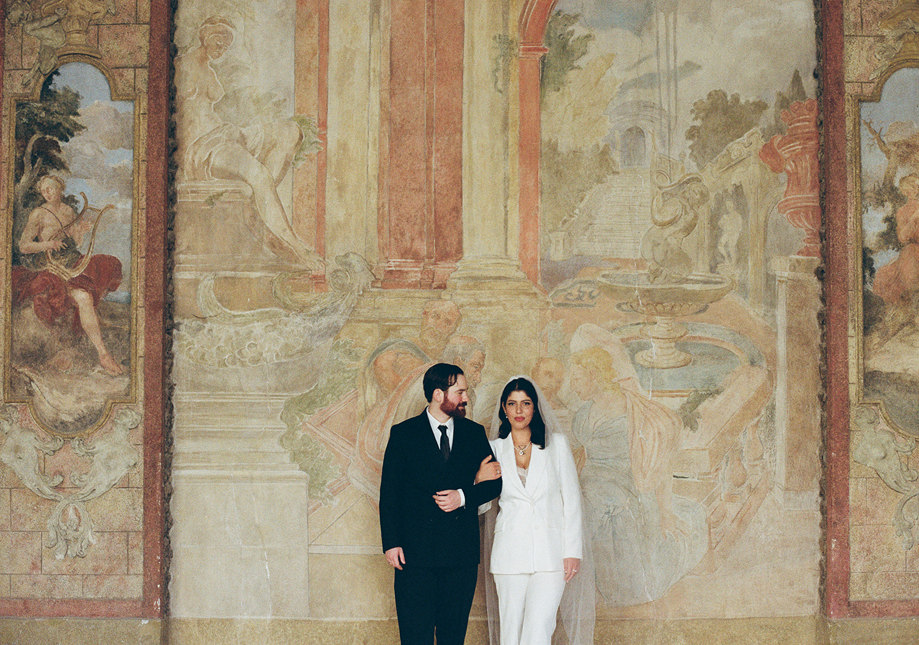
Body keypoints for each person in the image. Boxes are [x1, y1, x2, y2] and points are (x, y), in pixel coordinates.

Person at [175, 16, 321, 268]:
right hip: (204, 148)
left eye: (227, 42)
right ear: (204, 34)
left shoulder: (209, 70)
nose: (223, 45)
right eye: (219, 37)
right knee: (260, 175)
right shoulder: (181, 66)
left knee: (291, 131)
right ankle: (294, 245)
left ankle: (259, 209)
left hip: (225, 133)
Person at [379, 363, 502, 645]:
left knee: (452, 637)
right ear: (438, 394)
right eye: (460, 392)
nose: (466, 398)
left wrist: (463, 496)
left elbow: (495, 482)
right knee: (415, 636)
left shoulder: (474, 433)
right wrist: (391, 543)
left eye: (465, 392)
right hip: (413, 555)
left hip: (460, 556)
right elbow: (390, 494)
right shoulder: (403, 434)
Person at [476, 376, 588, 645]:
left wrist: (572, 551)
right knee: (511, 632)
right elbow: (481, 506)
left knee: (538, 629)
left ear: (535, 408)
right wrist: (479, 479)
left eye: (525, 403)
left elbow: (572, 500)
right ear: (503, 408)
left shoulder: (556, 445)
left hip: (551, 556)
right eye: (512, 404)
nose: (518, 410)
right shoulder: (492, 449)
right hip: (509, 556)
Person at [12, 175, 124, 376]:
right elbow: (24, 246)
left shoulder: (67, 210)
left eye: (51, 188)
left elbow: (76, 242)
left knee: (104, 272)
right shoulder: (38, 214)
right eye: (44, 190)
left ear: (60, 189)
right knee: (82, 297)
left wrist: (81, 230)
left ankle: (103, 355)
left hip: (73, 262)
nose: (47, 193)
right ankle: (103, 355)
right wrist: (49, 244)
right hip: (50, 267)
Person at [872, 174, 919, 345]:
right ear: (906, 191)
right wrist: (914, 219)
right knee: (907, 277)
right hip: (912, 250)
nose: (917, 189)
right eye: (914, 186)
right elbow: (902, 237)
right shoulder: (903, 211)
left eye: (918, 186)